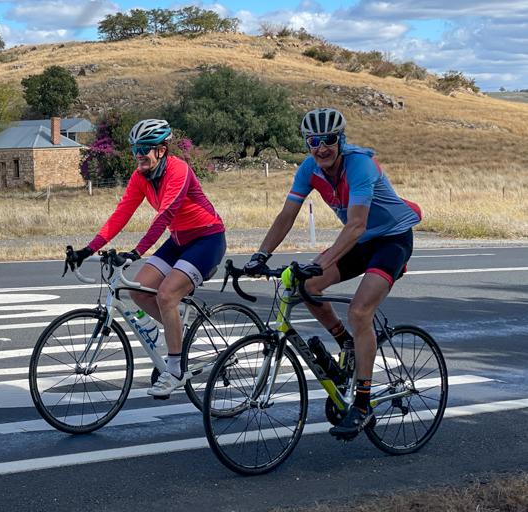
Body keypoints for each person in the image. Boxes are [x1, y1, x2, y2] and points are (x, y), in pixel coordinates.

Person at [245, 108, 421, 440]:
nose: (321, 148)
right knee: (307, 285)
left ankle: (363, 405)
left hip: (391, 240)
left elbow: (356, 225)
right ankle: (348, 346)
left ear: (340, 140)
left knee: (359, 311)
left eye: (328, 140)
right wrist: (260, 255)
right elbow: (287, 215)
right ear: (307, 144)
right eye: (314, 141)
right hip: (360, 240)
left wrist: (323, 262)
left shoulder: (360, 166)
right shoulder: (309, 169)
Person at [68, 119, 226, 398]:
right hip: (178, 241)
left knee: (166, 296)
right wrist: (87, 250)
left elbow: (164, 215)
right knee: (136, 290)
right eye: (134, 149)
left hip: (207, 239)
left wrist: (138, 251)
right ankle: (180, 333)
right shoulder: (140, 178)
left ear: (161, 150)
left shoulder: (179, 170)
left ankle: (175, 369)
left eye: (144, 148)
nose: (139, 154)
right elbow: (120, 216)